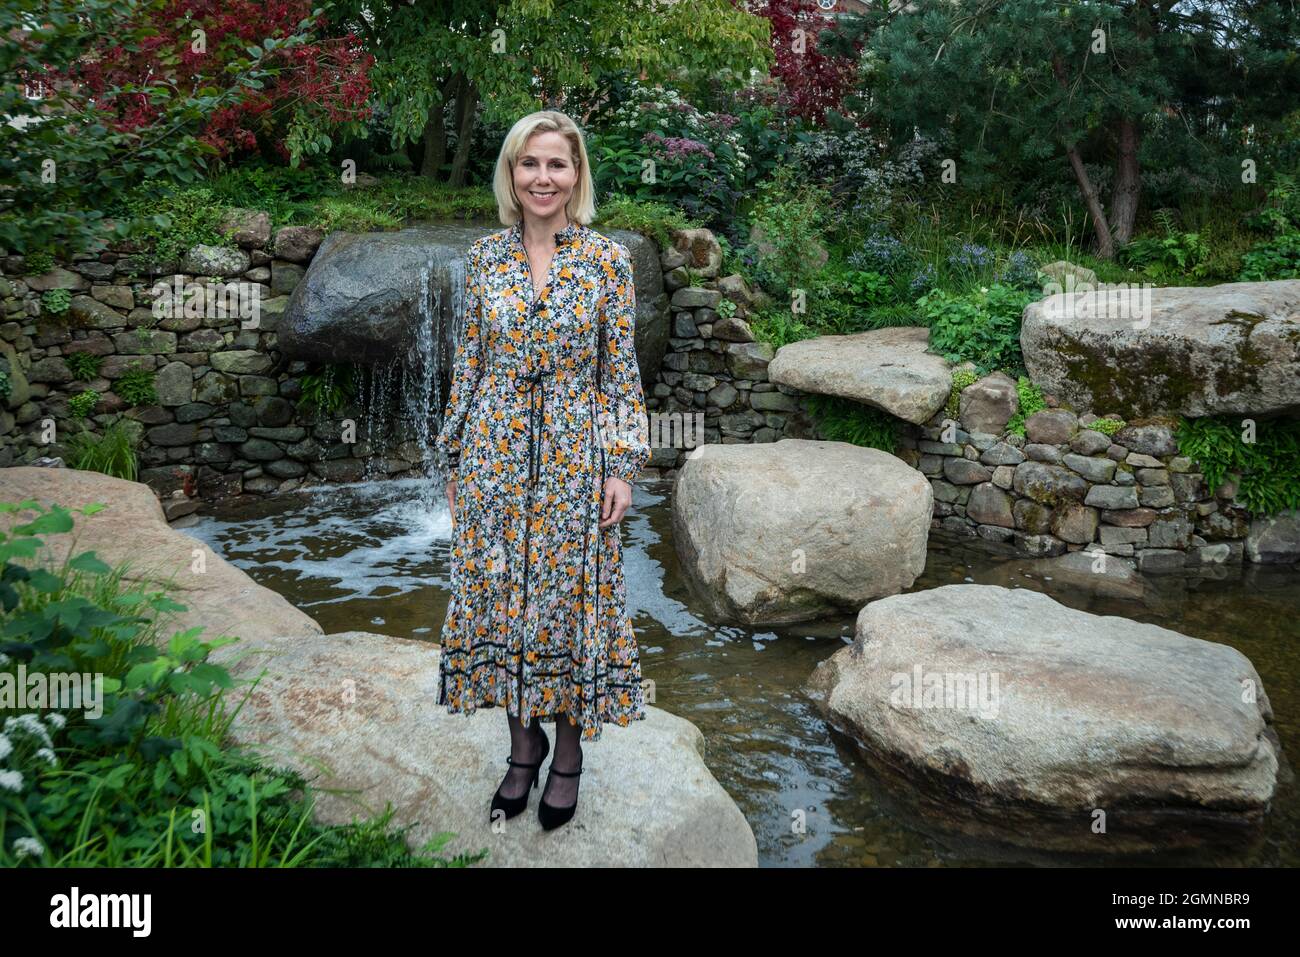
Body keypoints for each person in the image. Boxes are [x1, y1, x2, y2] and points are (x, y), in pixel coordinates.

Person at [433, 109, 652, 831]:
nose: (543, 178)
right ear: (511, 173)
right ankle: (520, 749)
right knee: (499, 601)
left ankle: (568, 758)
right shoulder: (484, 258)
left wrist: (620, 464)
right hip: (495, 454)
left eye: (557, 164)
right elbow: (468, 364)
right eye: (529, 164)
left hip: (573, 457)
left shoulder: (607, 262)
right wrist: (457, 459)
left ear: (577, 175)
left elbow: (619, 374)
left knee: (568, 605)